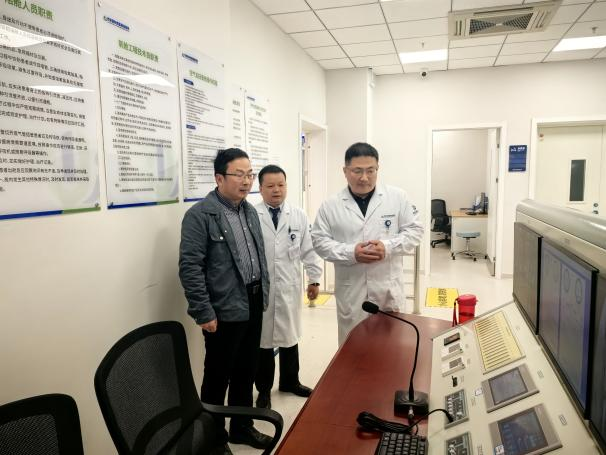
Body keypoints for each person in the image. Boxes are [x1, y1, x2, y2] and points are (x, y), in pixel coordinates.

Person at [178, 148, 272, 454]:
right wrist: (203, 311)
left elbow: (258, 257)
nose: (247, 181)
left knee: (247, 369)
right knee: (218, 376)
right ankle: (213, 438)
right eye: (239, 175)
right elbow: (190, 267)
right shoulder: (200, 216)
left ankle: (241, 428)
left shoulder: (249, 211)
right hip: (223, 307)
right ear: (219, 178)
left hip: (253, 300)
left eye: (250, 175)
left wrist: (264, 292)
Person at [311, 142, 423, 346]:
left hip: (388, 291)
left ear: (377, 169)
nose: (364, 177)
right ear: (345, 171)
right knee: (353, 349)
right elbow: (319, 241)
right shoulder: (330, 206)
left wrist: (388, 247)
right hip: (352, 294)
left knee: (391, 348)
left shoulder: (397, 197)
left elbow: (415, 231)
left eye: (370, 171)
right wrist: (351, 253)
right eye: (357, 171)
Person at [254, 165, 322, 409]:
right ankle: (263, 390)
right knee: (263, 342)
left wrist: (314, 279)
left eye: (281, 185)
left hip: (289, 285)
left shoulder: (298, 215)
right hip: (262, 289)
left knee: (290, 336)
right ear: (260, 188)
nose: (277, 190)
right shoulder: (252, 215)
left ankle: (290, 382)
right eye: (270, 186)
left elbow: (308, 249)